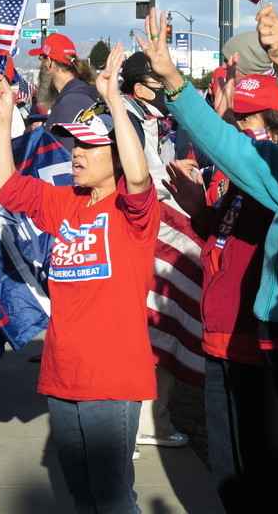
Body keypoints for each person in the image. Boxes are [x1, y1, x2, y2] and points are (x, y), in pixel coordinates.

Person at [139, 7, 278, 510]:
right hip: (270, 340)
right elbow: (228, 149)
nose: (246, 126)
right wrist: (175, 82)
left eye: (254, 117)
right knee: (245, 481)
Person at [0, 43, 159, 513]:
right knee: (81, 496)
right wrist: (3, 119)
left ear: (117, 157)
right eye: (74, 144)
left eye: (88, 146)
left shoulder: (133, 211)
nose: (76, 153)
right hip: (62, 373)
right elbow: (6, 186)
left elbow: (141, 178)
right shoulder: (65, 202)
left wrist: (116, 105)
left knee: (112, 498)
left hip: (112, 378)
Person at [164, 74, 278, 512]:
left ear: (277, 130)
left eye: (247, 121)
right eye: (234, 120)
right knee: (226, 469)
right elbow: (220, 242)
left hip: (254, 349)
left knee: (258, 474)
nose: (238, 130)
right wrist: (200, 209)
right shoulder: (238, 188)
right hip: (220, 343)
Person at [119, 51, 190, 452]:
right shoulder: (123, 117)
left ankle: (148, 418)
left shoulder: (148, 116)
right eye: (154, 81)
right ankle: (131, 421)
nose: (161, 89)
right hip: (135, 234)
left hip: (151, 230)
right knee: (140, 328)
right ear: (136, 83)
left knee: (155, 329)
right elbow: (136, 177)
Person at [28, 33, 98, 151]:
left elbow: (62, 156)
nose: (41, 64)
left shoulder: (69, 104)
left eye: (42, 58)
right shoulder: (81, 93)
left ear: (50, 62)